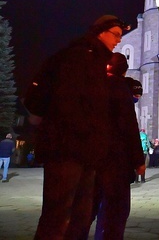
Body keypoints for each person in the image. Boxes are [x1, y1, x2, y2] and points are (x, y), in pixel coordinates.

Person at [25, 14, 131, 240]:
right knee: (58, 215)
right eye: (116, 35)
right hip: (68, 149)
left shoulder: (96, 60)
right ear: (100, 32)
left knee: (80, 216)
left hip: (86, 151)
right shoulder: (79, 58)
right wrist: (82, 133)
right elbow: (68, 102)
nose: (119, 40)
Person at [92, 56, 145, 240]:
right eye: (136, 96)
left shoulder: (96, 86)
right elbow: (129, 127)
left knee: (92, 208)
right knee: (116, 210)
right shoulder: (120, 91)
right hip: (116, 162)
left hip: (94, 159)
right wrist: (139, 159)